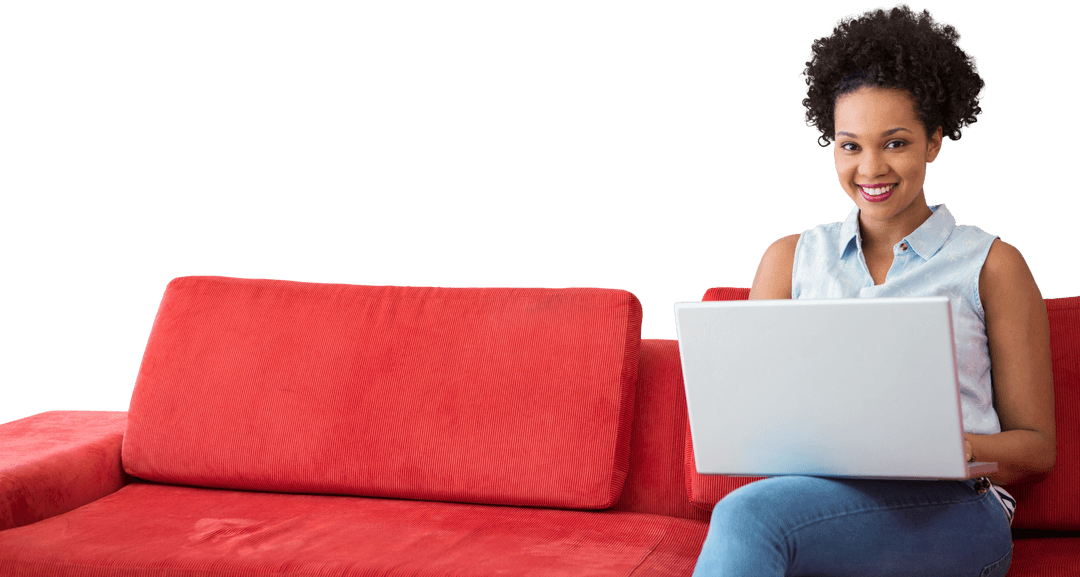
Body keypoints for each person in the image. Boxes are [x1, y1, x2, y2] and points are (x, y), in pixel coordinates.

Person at [692, 4, 1055, 576]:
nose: (870, 168)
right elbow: (758, 425)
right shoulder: (789, 259)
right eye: (849, 145)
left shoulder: (991, 263)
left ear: (934, 141)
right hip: (822, 502)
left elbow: (1037, 448)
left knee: (749, 519)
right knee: (758, 514)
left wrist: (953, 446)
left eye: (895, 143)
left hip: (957, 508)